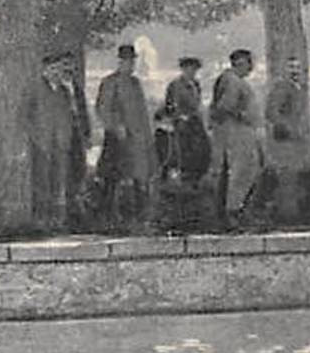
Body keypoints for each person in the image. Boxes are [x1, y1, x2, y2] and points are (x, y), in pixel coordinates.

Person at [94, 44, 157, 226]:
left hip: (138, 139)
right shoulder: (110, 82)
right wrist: (117, 126)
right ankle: (109, 218)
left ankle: (138, 218)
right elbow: (103, 109)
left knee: (140, 177)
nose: (130, 65)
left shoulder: (135, 83)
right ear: (119, 61)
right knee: (114, 178)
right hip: (119, 139)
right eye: (126, 61)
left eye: (132, 61)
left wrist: (147, 136)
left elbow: (142, 113)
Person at [209, 48, 263, 226]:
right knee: (241, 171)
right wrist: (243, 116)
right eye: (249, 63)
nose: (251, 67)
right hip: (237, 133)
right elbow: (225, 106)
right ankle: (233, 212)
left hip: (240, 132)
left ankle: (236, 210)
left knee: (244, 170)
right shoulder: (233, 81)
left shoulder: (235, 80)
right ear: (241, 63)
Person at [29, 53, 75, 229]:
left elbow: (69, 116)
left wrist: (67, 136)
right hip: (43, 144)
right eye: (52, 69)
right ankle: (41, 220)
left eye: (58, 69)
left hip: (61, 144)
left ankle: (58, 220)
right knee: (42, 182)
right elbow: (25, 116)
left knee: (59, 182)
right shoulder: (35, 89)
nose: (55, 72)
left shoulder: (63, 91)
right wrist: (37, 138)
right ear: (44, 70)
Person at [156, 56, 210, 189]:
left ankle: (195, 177)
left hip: (195, 120)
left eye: (194, 70)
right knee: (182, 147)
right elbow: (170, 105)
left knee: (203, 147)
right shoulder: (175, 85)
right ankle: (182, 176)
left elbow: (197, 104)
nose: (192, 72)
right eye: (189, 69)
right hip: (181, 121)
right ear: (183, 70)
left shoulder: (196, 84)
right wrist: (179, 115)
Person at [265, 55, 308, 222]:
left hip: (295, 138)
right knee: (287, 175)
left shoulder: (297, 88)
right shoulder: (282, 88)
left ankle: (289, 211)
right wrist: (287, 128)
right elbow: (272, 112)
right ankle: (287, 213)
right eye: (290, 68)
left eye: (297, 67)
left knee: (292, 175)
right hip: (285, 139)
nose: (294, 71)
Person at [59, 51, 92, 223]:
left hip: (77, 134)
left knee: (79, 169)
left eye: (70, 65)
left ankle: (77, 208)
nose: (68, 68)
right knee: (64, 171)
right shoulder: (56, 87)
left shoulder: (76, 87)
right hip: (63, 135)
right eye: (64, 64)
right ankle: (65, 211)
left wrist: (87, 134)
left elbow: (83, 111)